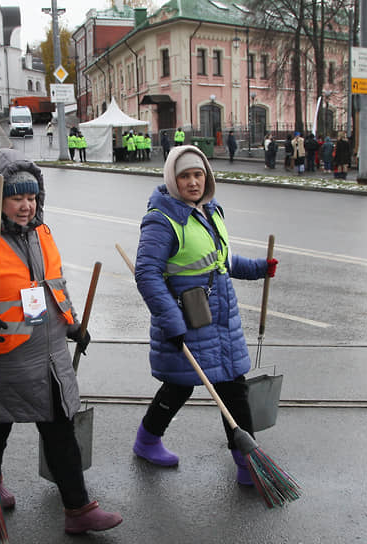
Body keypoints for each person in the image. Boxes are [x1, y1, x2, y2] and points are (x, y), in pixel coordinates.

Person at [0, 148, 122, 535]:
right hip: (0, 356)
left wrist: (71, 325)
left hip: (48, 356)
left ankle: (78, 508)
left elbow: (54, 284)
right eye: (17, 198)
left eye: (32, 197)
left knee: (60, 430)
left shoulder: (41, 232)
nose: (26, 206)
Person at [132, 145, 278, 485]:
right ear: (173, 179)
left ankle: (245, 463)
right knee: (179, 386)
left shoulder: (210, 212)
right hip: (186, 316)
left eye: (198, 175)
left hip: (221, 317)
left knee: (231, 385)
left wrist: (259, 268)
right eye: (185, 176)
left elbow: (221, 262)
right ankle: (147, 441)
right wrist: (171, 321)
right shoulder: (162, 219)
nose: (193, 182)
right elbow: (147, 273)